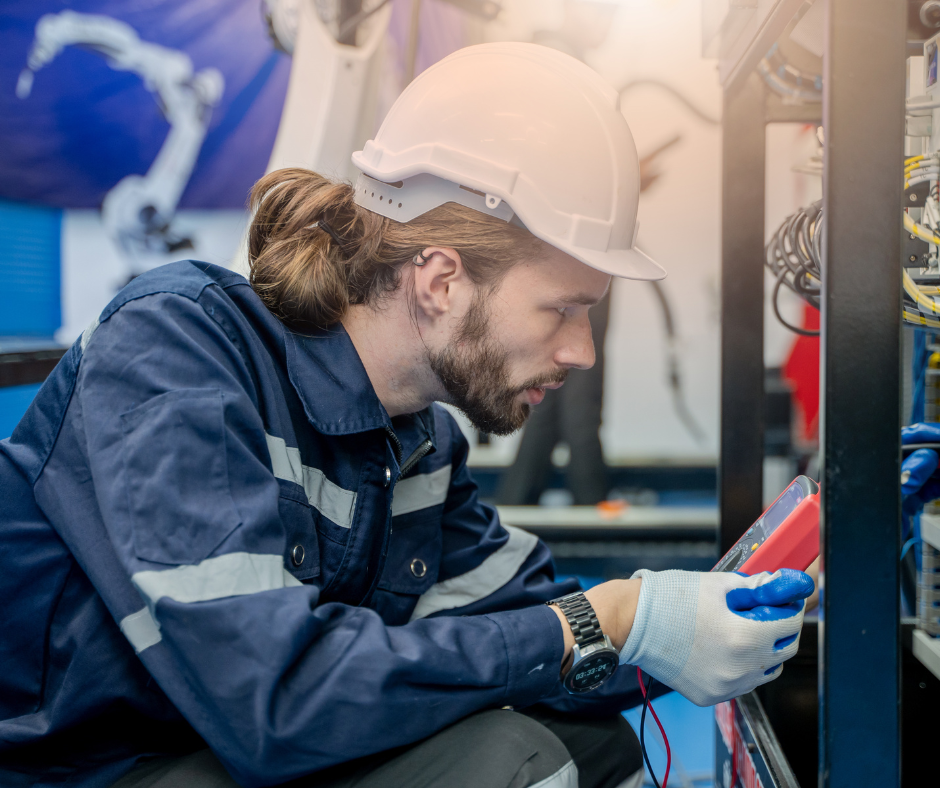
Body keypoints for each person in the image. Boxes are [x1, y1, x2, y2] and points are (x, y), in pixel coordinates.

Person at [0, 43, 814, 788]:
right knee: (514, 763)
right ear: (439, 280)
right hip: (93, 768)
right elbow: (272, 699)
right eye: (562, 309)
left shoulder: (415, 445)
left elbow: (544, 629)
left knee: (595, 748)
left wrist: (688, 621)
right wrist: (604, 619)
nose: (582, 352)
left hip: (223, 750)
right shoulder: (175, 351)